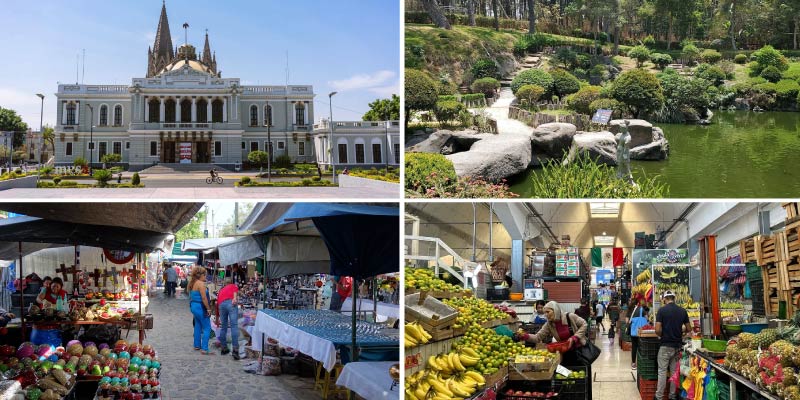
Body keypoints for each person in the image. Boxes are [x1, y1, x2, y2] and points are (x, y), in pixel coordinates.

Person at [516, 301, 592, 399]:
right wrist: (525, 336)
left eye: (548, 312)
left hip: (579, 353)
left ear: (555, 310)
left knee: (581, 381)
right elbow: (537, 337)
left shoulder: (570, 317)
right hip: (564, 355)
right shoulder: (549, 324)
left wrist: (575, 338)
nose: (546, 315)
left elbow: (584, 324)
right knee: (565, 379)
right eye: (545, 313)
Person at [655, 291, 692, 400]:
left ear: (665, 299)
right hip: (677, 346)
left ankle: (659, 397)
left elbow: (657, 329)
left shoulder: (662, 311)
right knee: (674, 373)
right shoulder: (682, 311)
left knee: (662, 371)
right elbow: (689, 329)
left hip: (665, 346)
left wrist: (663, 334)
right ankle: (672, 396)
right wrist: (681, 332)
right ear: (674, 299)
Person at [188, 266, 213, 355]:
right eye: (205, 275)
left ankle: (197, 345)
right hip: (200, 307)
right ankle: (205, 348)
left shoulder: (193, 283)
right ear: (201, 275)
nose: (205, 277)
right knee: (207, 327)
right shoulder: (201, 284)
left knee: (198, 325)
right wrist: (208, 308)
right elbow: (204, 298)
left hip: (194, 306)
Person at [215, 277, 240, 360]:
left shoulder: (221, 290)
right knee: (234, 326)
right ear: (231, 282)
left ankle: (224, 348)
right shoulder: (233, 285)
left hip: (221, 306)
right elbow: (235, 292)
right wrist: (235, 299)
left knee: (223, 327)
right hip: (231, 303)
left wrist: (217, 318)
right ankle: (235, 350)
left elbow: (217, 304)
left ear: (225, 283)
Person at [627, 300, 650, 370]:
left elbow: (627, 321)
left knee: (634, 347)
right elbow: (647, 319)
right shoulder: (641, 309)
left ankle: (633, 363)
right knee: (642, 346)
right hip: (641, 331)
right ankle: (642, 363)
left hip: (633, 331)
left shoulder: (630, 310)